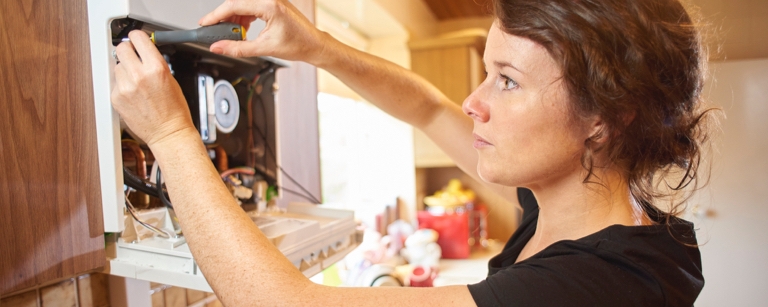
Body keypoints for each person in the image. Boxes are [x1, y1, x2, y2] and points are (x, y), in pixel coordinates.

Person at [110, 0, 712, 305]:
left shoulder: (595, 286)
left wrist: (168, 135)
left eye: (507, 80)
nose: (474, 103)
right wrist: (318, 47)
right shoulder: (575, 214)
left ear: (605, 117)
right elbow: (426, 107)